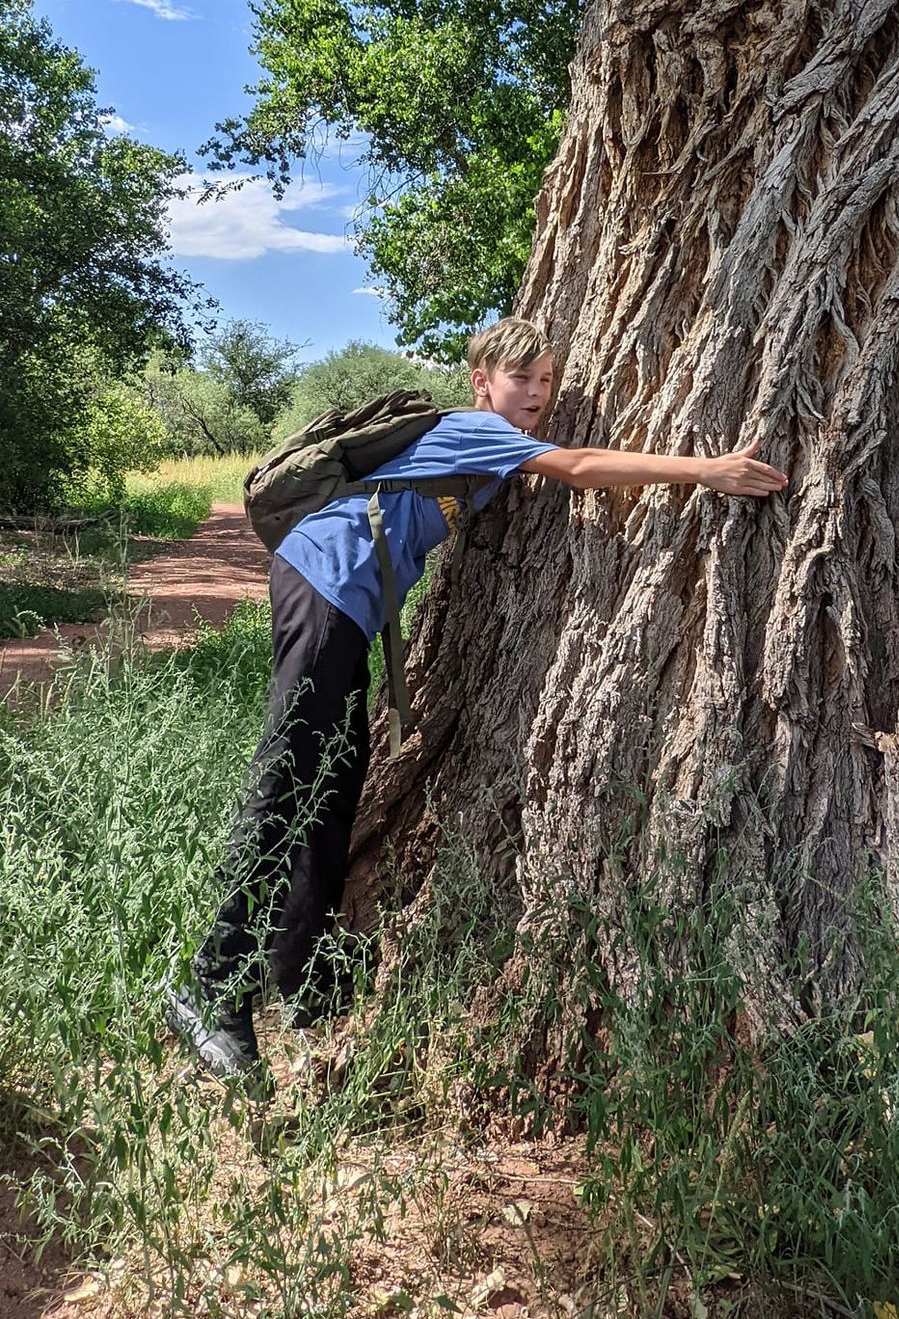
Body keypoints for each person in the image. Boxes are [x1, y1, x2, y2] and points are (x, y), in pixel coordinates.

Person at [165, 317, 787, 1079]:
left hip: (345, 604)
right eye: (520, 377)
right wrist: (706, 470)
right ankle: (211, 983)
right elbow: (584, 465)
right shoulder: (479, 432)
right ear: (482, 383)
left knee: (334, 782)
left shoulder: (487, 452)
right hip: (325, 585)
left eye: (546, 380)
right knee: (291, 777)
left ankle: (302, 976)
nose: (535, 394)